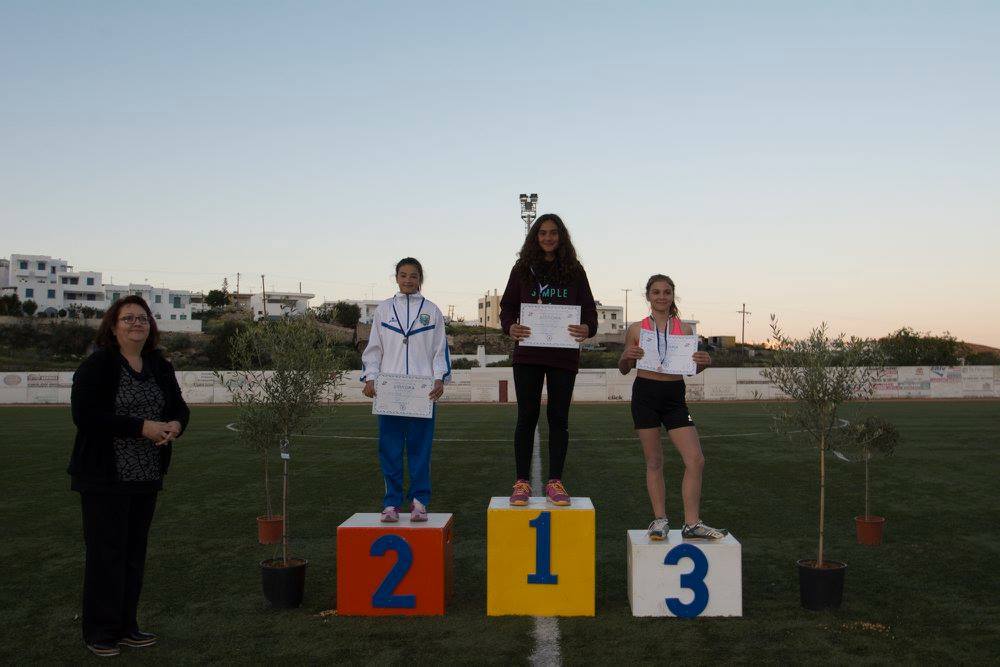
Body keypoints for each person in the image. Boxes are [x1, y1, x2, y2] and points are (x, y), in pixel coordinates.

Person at [69, 295, 189, 657]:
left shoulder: (158, 365)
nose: (137, 323)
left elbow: (178, 406)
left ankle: (126, 626)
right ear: (113, 325)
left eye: (143, 318)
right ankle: (100, 632)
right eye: (129, 318)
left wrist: (175, 424)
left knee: (133, 554)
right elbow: (86, 416)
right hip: (105, 477)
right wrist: (140, 427)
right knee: (106, 555)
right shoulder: (98, 365)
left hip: (146, 475)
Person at [618, 274, 728, 541]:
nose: (661, 297)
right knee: (654, 461)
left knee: (695, 459)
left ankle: (692, 523)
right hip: (645, 395)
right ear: (648, 296)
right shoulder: (636, 329)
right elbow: (624, 368)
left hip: (674, 396)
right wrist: (626, 357)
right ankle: (660, 520)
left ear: (672, 295)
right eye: (656, 292)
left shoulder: (685, 329)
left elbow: (690, 369)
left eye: (666, 292)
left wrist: (703, 363)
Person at [500, 213, 598, 506]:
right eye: (542, 233)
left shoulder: (575, 270)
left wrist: (587, 328)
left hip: (563, 354)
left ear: (561, 236)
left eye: (553, 232)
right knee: (526, 417)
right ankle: (521, 482)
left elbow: (589, 311)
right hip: (528, 353)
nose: (548, 237)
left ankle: (555, 481)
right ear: (535, 237)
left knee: (558, 418)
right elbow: (507, 307)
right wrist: (510, 327)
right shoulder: (522, 269)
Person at [361, 258, 451, 523]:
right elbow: (374, 347)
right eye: (403, 275)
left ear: (420, 278)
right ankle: (391, 503)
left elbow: (440, 349)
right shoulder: (383, 310)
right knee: (389, 449)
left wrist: (439, 378)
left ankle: (419, 502)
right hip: (390, 392)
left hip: (422, 393)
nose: (408, 280)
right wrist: (370, 377)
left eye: (413, 275)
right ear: (396, 278)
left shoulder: (432, 311)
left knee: (420, 450)